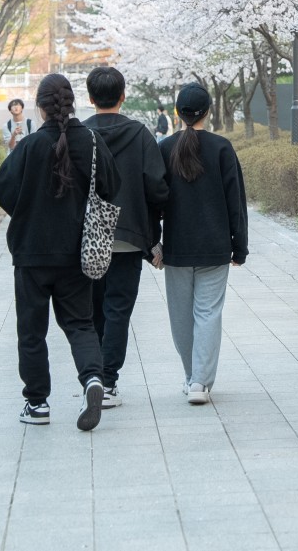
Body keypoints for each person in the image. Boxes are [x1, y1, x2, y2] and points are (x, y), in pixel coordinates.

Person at [0, 72, 120, 431]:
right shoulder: (92, 142)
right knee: (80, 324)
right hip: (76, 252)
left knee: (31, 331)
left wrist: (27, 210)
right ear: (72, 102)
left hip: (32, 253)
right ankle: (93, 380)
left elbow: (4, 188)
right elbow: (112, 185)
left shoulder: (31, 145)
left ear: (40, 106)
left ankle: (37, 404)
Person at [152, 83, 247, 405]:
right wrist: (240, 246)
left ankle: (192, 376)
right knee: (208, 313)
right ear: (208, 111)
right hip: (215, 245)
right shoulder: (221, 148)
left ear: (178, 113)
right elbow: (236, 201)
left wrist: (152, 243)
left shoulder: (164, 148)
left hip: (176, 246)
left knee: (180, 315)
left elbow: (152, 199)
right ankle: (200, 383)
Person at [86, 65, 169, 409]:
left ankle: (93, 377)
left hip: (89, 236)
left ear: (90, 98)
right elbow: (157, 187)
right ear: (123, 96)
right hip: (130, 235)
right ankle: (108, 382)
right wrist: (155, 234)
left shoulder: (79, 134)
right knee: (118, 309)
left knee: (93, 311)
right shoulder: (140, 135)